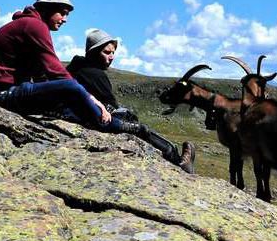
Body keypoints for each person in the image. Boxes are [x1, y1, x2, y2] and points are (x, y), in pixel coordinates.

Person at [0, 0, 114, 129]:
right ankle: (109, 124)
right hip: (1, 94)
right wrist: (92, 99)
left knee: (68, 104)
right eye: (62, 13)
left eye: (67, 14)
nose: (65, 19)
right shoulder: (35, 25)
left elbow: (41, 75)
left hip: (0, 92)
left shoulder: (28, 24)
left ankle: (112, 121)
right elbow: (56, 72)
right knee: (71, 87)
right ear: (47, 8)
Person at [67, 28, 196, 173]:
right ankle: (178, 161)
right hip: (88, 118)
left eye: (113, 52)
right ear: (94, 52)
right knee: (141, 129)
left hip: (80, 114)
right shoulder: (94, 74)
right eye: (107, 52)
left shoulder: (77, 67)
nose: (111, 57)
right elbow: (111, 106)